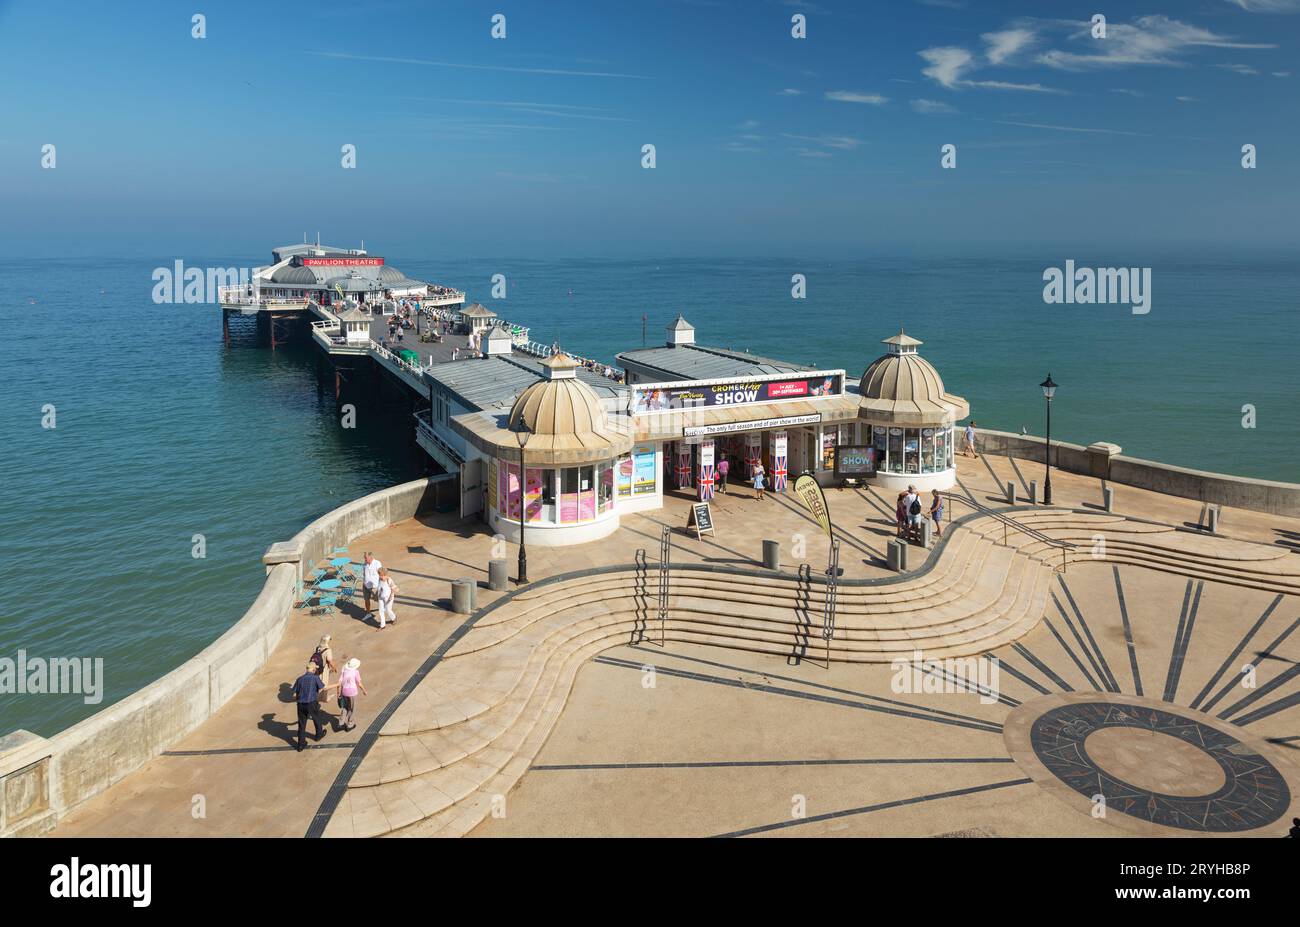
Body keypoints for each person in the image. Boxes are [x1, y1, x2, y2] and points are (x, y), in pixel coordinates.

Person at [290, 662, 326, 752]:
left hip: (301, 704)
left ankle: (301, 745)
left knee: (302, 724)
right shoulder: (315, 678)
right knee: (316, 718)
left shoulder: (299, 679)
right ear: (314, 670)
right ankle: (318, 735)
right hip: (311, 702)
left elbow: (294, 695)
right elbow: (322, 688)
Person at [326, 657, 368, 732]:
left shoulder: (344, 670)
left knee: (345, 707)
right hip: (352, 692)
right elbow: (359, 683)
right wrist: (364, 691)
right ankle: (350, 724)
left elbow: (339, 682)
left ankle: (340, 723)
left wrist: (338, 692)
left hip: (344, 691)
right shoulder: (356, 672)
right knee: (352, 708)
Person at [311, 634, 336, 702]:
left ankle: (317, 696)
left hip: (315, 668)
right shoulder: (328, 650)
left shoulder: (317, 648)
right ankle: (325, 698)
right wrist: (334, 668)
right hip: (323, 669)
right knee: (324, 684)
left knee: (317, 683)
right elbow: (330, 660)